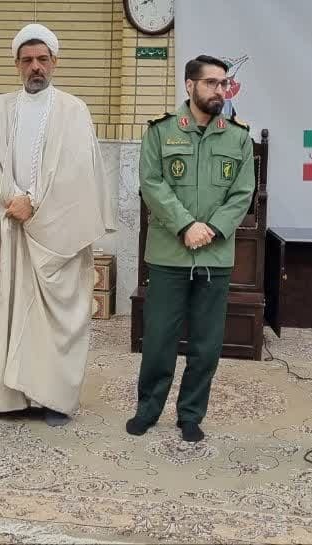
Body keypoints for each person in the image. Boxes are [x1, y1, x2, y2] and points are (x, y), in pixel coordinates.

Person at [0, 23, 116, 427]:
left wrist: (36, 204)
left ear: (55, 62)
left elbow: (78, 174)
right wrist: (13, 199)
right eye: (27, 60)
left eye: (42, 59)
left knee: (55, 318)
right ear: (16, 65)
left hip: (55, 236)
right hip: (6, 230)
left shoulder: (73, 111)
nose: (35, 67)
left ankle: (54, 399)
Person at [126, 54, 256, 443]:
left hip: (214, 255)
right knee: (159, 339)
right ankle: (148, 410)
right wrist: (185, 225)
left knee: (206, 343)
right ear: (189, 85)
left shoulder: (238, 137)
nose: (220, 90)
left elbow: (243, 193)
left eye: (223, 83)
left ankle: (191, 414)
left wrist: (211, 229)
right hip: (169, 254)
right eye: (211, 83)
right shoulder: (161, 131)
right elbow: (151, 183)